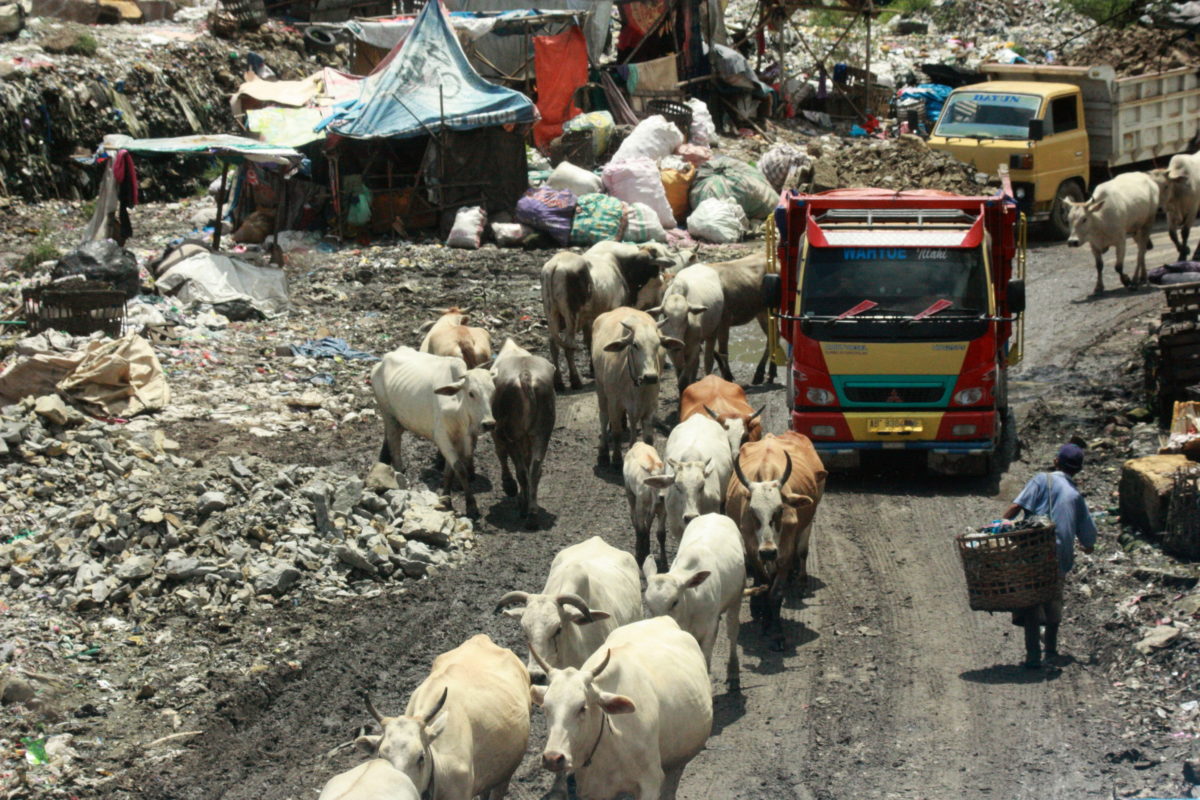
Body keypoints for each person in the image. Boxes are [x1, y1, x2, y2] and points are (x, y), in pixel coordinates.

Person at [1001, 443, 1097, 668]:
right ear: (1078, 470)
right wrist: (1087, 547)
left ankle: (1032, 655)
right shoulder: (1076, 496)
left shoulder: (1043, 479)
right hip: (1059, 557)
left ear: (1056, 461)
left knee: (1032, 601)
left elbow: (1017, 506)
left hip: (1034, 551)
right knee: (1053, 600)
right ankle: (1051, 651)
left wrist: (995, 526)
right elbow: (1089, 537)